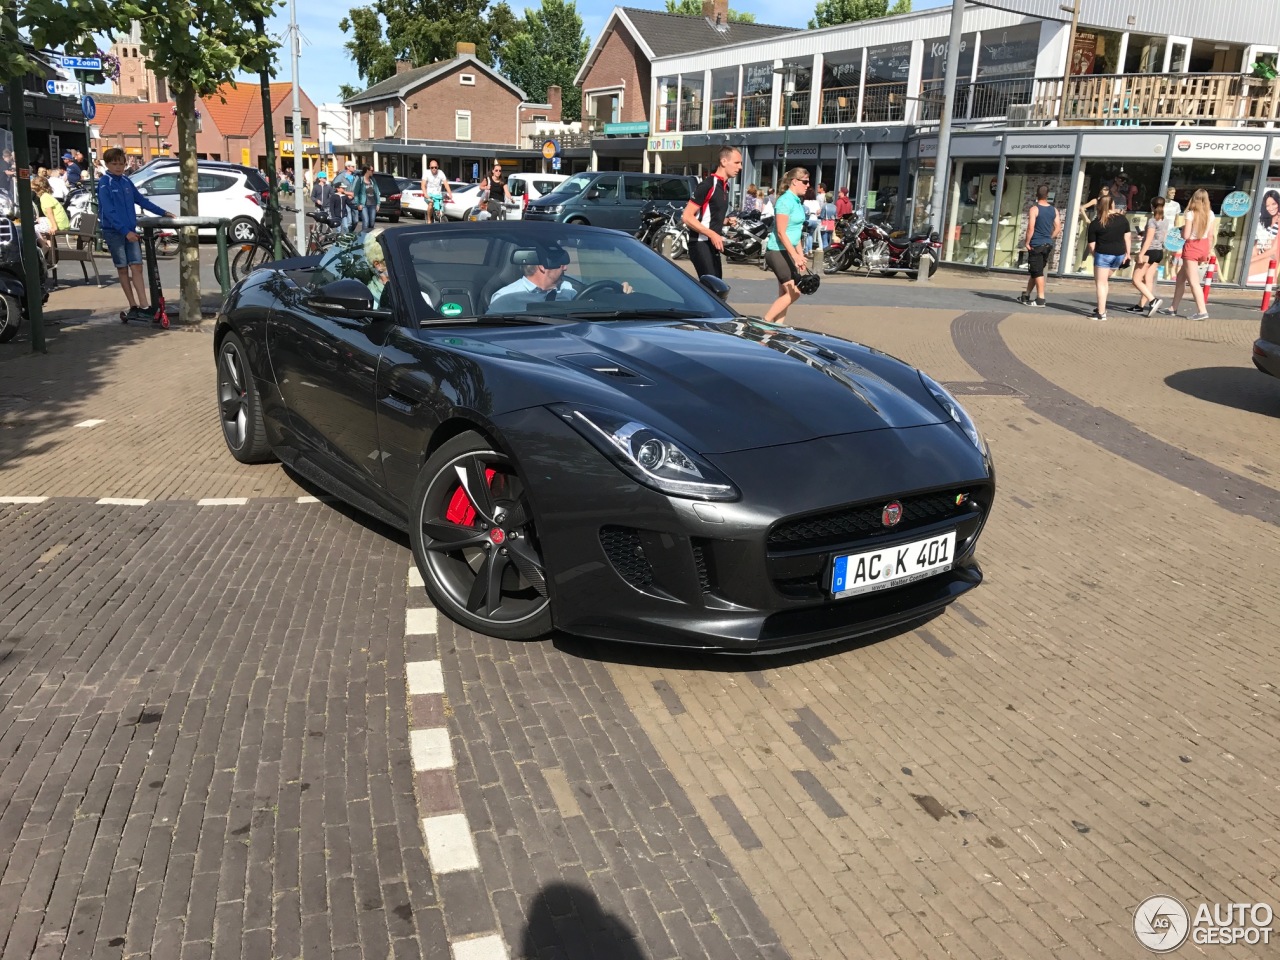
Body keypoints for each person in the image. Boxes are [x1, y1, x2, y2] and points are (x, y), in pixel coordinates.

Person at [96, 146, 174, 319]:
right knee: (123, 269)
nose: (118, 167)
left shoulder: (126, 181)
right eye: (114, 164)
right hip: (115, 231)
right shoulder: (104, 183)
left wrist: (163, 212)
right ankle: (133, 305)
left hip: (130, 230)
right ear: (107, 164)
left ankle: (144, 305)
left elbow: (140, 200)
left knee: (137, 266)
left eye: (121, 164)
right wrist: (124, 231)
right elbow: (108, 211)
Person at [486, 245, 634, 313]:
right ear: (543, 267)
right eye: (561, 263)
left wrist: (620, 295)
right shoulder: (505, 297)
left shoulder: (568, 289)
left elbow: (592, 303)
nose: (565, 268)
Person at [681, 146, 742, 281]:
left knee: (716, 288)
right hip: (699, 242)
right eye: (737, 163)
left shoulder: (725, 186)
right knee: (712, 288)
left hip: (713, 243)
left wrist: (725, 221)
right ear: (724, 161)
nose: (740, 167)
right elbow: (687, 216)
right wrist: (712, 234)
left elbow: (708, 215)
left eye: (741, 163)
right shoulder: (708, 185)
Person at [763, 168, 810, 325]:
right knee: (795, 292)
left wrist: (800, 255)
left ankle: (777, 327)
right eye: (805, 182)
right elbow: (782, 233)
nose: (808, 185)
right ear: (794, 181)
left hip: (788, 252)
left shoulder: (797, 202)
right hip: (777, 251)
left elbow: (796, 233)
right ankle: (765, 323)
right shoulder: (784, 201)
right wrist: (795, 256)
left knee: (785, 293)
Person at [1162, 187, 1214, 321]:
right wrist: (1208, 251)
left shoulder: (1190, 214)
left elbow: (1185, 235)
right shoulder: (1211, 214)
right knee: (1181, 277)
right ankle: (1173, 308)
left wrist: (1183, 230)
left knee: (1194, 282)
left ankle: (1202, 311)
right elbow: (1210, 235)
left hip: (1192, 246)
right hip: (1203, 245)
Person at [1085, 194, 1131, 322]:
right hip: (1119, 254)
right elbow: (1127, 237)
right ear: (1112, 204)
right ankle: (1101, 307)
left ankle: (1101, 313)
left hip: (1103, 254)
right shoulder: (1122, 219)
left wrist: (1097, 256)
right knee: (1105, 282)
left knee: (1100, 283)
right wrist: (1128, 254)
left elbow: (1092, 246)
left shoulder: (1096, 223)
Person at [1017, 184, 1061, 308]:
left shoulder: (1034, 209)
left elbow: (1031, 227)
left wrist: (1027, 242)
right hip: (1047, 244)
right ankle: (1026, 295)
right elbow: (1058, 227)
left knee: (1037, 272)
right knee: (1035, 271)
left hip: (1036, 244)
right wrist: (1049, 237)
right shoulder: (1054, 210)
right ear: (1047, 195)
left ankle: (1041, 299)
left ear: (1036, 195)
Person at [1127, 197, 1168, 316]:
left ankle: (1153, 300)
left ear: (1151, 206)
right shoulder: (1165, 220)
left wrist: (1141, 253)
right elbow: (1160, 235)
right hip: (1158, 252)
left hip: (1149, 252)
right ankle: (1140, 305)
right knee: (1148, 279)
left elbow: (1149, 239)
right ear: (1164, 206)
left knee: (1136, 279)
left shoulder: (1152, 221)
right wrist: (1144, 233)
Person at [1249, 189, 1280, 284]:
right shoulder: (1265, 221)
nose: (1271, 208)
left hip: (1271, 258)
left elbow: (1273, 250)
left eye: (1274, 204)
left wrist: (1252, 260)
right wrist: (1251, 256)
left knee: (1246, 270)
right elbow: (1258, 245)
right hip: (1262, 255)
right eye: (1267, 205)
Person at [421, 159, 452, 224]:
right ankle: (429, 219)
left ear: (438, 167)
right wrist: (425, 194)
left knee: (441, 208)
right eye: (432, 167)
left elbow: (446, 184)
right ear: (430, 167)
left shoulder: (441, 173)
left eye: (435, 167)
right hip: (429, 195)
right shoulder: (426, 173)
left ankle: (440, 218)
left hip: (438, 195)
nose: (434, 169)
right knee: (431, 204)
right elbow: (423, 185)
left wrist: (450, 193)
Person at [357, 165, 381, 232]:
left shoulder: (372, 180)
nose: (373, 172)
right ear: (367, 170)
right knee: (366, 222)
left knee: (372, 222)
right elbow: (356, 193)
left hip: (373, 204)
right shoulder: (360, 180)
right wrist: (358, 203)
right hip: (363, 204)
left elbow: (377, 191)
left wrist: (378, 203)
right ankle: (363, 238)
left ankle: (369, 236)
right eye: (371, 170)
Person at [802, 187, 822, 257]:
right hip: (815, 220)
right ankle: (810, 249)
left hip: (808, 219)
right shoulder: (816, 202)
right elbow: (819, 210)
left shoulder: (805, 202)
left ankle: (806, 251)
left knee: (806, 235)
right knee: (810, 235)